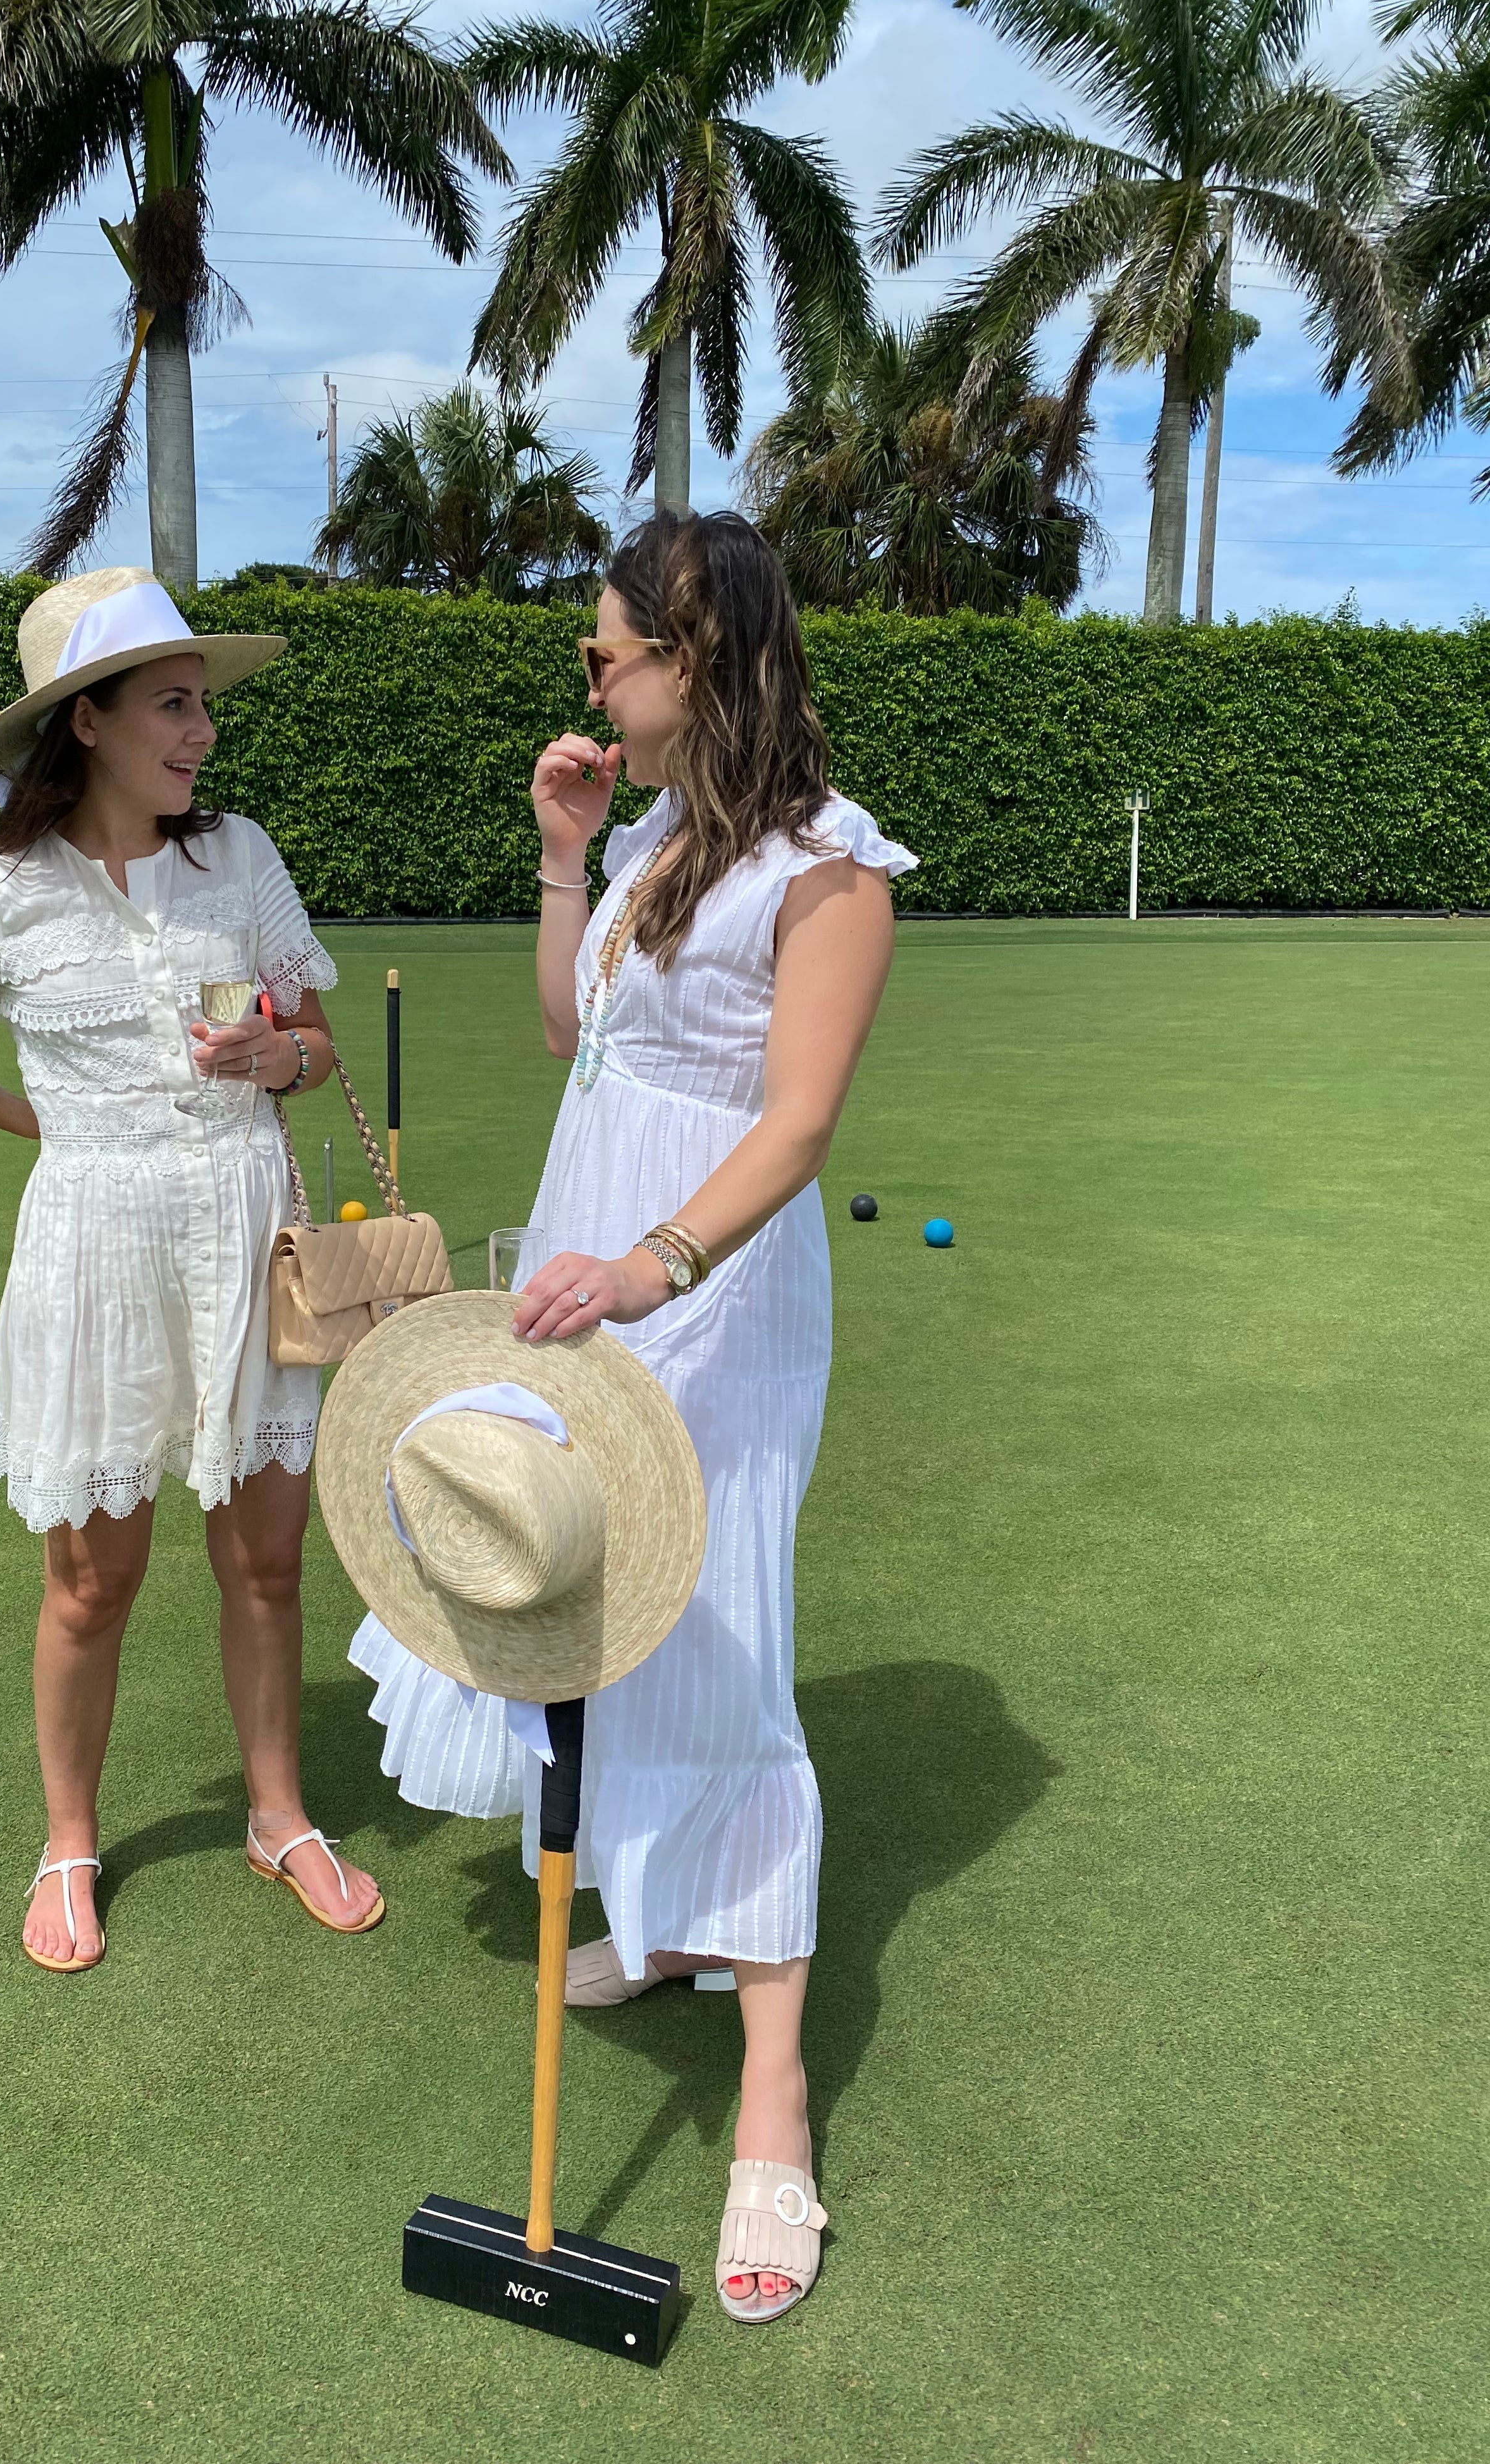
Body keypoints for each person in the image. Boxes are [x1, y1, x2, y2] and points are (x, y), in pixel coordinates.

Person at [351, 509, 913, 2320]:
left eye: (611, 651)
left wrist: (655, 1266)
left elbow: (799, 1121)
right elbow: (569, 1039)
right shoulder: (661, 838)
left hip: (712, 1299)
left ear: (707, 656)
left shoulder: (828, 869)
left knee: (723, 1641)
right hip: (584, 1278)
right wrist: (562, 857)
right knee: (584, 1601)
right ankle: (660, 1925)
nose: (587, 678)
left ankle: (772, 2099)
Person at [0, 565, 383, 1970]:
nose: (202, 731)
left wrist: (284, 1056)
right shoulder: (0, 888)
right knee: (92, 1577)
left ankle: (277, 1813)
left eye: (204, 705)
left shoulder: (241, 857)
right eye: (174, 705)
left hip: (248, 1229)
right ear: (87, 721)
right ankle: (69, 1840)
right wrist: (32, 1118)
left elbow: (319, 1044)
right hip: (97, 1246)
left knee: (266, 1559)